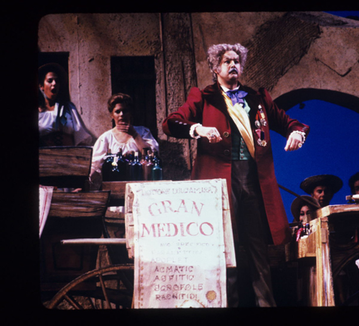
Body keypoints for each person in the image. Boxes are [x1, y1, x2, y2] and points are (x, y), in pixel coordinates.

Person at [162, 43, 309, 307]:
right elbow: (172, 122)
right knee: (223, 247)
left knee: (258, 250)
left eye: (237, 61)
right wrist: (198, 129)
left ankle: (266, 305)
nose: (233, 65)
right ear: (215, 68)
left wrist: (296, 132)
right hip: (219, 182)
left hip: (252, 180)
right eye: (227, 61)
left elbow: (288, 122)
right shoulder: (204, 96)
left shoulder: (257, 97)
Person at [90, 93, 159, 188]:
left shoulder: (143, 132)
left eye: (125, 111)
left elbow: (152, 155)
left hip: (141, 184)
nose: (121, 115)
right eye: (117, 111)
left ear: (130, 113)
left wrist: (134, 135)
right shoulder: (106, 138)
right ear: (111, 115)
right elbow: (96, 165)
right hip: (114, 186)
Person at [38, 63, 94, 147]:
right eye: (50, 81)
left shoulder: (68, 108)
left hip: (68, 156)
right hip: (45, 157)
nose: (54, 83)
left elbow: (81, 136)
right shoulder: (38, 112)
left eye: (57, 81)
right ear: (41, 86)